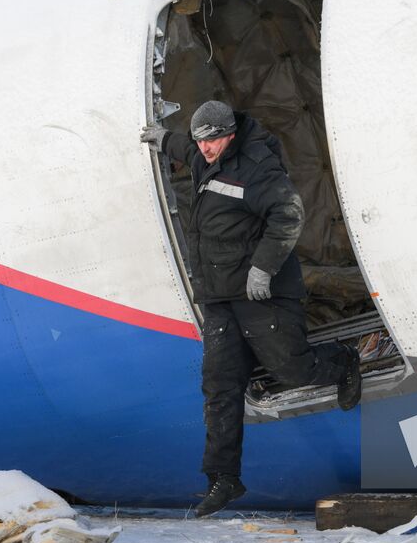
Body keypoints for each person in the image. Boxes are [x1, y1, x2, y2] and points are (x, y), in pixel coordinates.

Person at [141, 100, 362, 517]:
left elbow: (289, 214)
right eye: (199, 141)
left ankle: (343, 360)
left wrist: (263, 269)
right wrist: (164, 139)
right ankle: (223, 479)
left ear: (230, 133)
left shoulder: (258, 166)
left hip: (263, 292)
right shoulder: (203, 154)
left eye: (212, 141)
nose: (205, 149)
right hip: (220, 298)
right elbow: (185, 150)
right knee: (220, 388)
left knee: (291, 370)